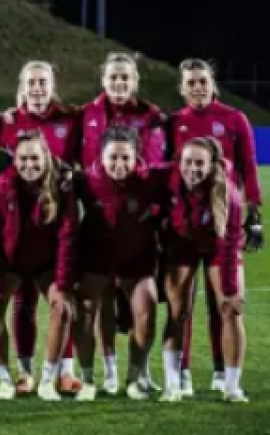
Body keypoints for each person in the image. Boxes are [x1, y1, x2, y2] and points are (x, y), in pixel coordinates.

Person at [168, 58, 263, 396]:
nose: (197, 87)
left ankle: (222, 372)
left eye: (202, 81)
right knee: (181, 304)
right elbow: (167, 169)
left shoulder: (234, 119)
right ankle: (182, 373)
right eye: (191, 82)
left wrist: (255, 213)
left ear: (212, 84)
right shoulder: (174, 122)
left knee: (220, 301)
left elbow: (248, 165)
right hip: (185, 223)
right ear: (182, 88)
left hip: (223, 220)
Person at [78, 53, 168, 395]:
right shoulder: (85, 179)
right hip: (97, 253)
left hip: (136, 255)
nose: (118, 163)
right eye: (113, 77)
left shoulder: (151, 177)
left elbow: (179, 181)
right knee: (91, 306)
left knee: (146, 308)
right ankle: (98, 374)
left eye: (124, 77)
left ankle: (136, 375)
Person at [0, 60, 83, 393]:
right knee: (24, 300)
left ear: (52, 86)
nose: (37, 88)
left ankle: (65, 371)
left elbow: (83, 162)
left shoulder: (70, 119)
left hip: (58, 222)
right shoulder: (6, 122)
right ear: (22, 87)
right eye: (31, 83)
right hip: (19, 225)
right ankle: (25, 372)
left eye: (43, 82)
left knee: (64, 295)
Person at [0, 131, 78, 402]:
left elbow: (67, 236)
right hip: (12, 263)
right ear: (15, 160)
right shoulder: (0, 186)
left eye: (35, 158)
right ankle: (4, 380)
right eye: (22, 159)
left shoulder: (61, 186)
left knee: (62, 307)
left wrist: (64, 285)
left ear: (46, 157)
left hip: (46, 264)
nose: (29, 164)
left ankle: (47, 380)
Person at [160, 137, 248, 403]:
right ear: (179, 162)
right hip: (181, 244)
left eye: (200, 163)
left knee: (230, 310)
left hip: (218, 249)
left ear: (211, 166)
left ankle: (232, 387)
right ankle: (173, 383)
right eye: (187, 162)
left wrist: (230, 290)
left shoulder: (228, 195)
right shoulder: (166, 178)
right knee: (177, 311)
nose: (192, 169)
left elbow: (229, 245)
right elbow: (138, 175)